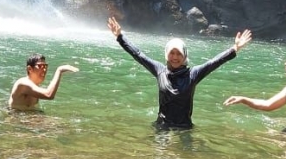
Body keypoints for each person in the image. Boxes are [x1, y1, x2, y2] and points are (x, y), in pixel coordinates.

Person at [107, 16, 253, 129]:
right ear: (166, 54)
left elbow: (214, 62)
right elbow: (139, 55)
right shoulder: (160, 71)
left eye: (179, 54)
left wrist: (235, 48)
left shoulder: (193, 74)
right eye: (172, 53)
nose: (175, 57)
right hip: (162, 126)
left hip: (184, 127)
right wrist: (120, 37)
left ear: (184, 56)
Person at [7, 54, 79, 111]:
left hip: (29, 116)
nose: (44, 69)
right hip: (17, 117)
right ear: (29, 69)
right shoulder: (23, 83)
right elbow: (49, 94)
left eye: (45, 66)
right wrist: (59, 70)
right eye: (40, 66)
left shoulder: (35, 85)